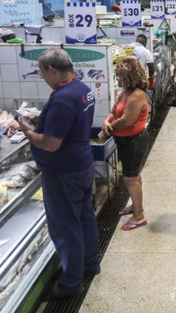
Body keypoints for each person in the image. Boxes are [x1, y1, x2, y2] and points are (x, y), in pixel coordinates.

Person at [17, 48, 98, 298]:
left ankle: (71, 284)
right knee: (85, 218)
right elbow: (71, 122)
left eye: (42, 73)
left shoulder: (63, 97)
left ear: (52, 70)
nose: (42, 77)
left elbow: (51, 143)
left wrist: (27, 131)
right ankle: (90, 264)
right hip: (83, 165)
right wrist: (43, 117)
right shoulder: (83, 89)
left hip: (64, 173)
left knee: (66, 228)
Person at [102, 56, 149, 231]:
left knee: (130, 178)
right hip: (125, 140)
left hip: (134, 142)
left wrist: (110, 126)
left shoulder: (137, 95)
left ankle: (139, 216)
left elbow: (127, 121)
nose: (118, 79)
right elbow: (115, 110)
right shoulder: (125, 92)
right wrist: (107, 121)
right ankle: (136, 206)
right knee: (133, 176)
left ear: (128, 76)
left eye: (120, 76)